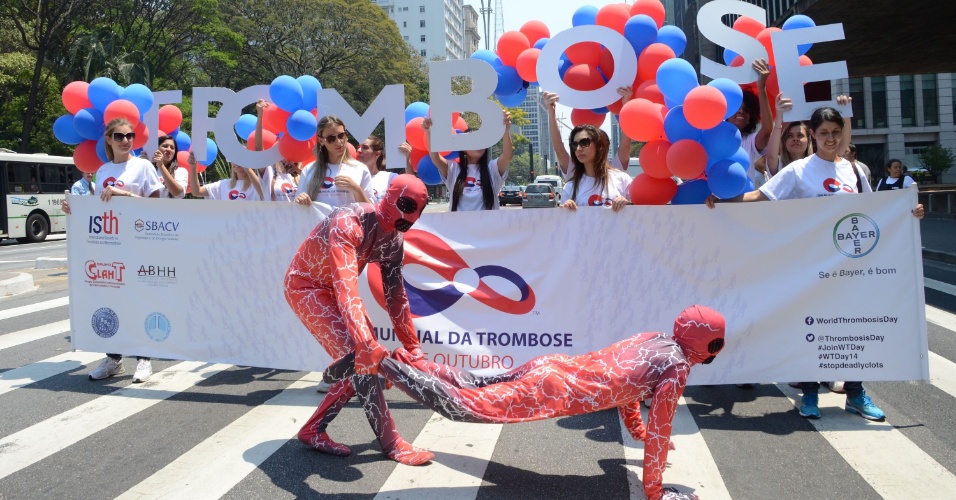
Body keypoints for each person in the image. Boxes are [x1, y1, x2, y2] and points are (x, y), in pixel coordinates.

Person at [326, 305, 725, 500]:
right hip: (555, 388)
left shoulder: (653, 339)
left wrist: (635, 431)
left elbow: (629, 390)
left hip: (553, 367)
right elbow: (661, 427)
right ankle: (380, 361)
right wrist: (655, 491)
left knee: (471, 382)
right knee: (463, 406)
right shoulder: (675, 368)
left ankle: (403, 362)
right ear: (707, 345)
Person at [705, 105, 926, 420]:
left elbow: (877, 211)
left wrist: (910, 212)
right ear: (814, 135)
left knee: (851, 330)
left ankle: (856, 393)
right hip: (809, 269)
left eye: (836, 132)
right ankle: (809, 394)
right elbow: (762, 198)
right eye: (824, 133)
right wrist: (724, 201)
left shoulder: (855, 172)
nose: (831, 139)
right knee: (812, 330)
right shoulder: (798, 171)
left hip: (850, 268)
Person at [284, 174, 434, 466]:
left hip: (334, 290)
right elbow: (345, 287)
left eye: (419, 208)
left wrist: (412, 346)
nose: (411, 216)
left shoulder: (393, 240)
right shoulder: (348, 222)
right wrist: (365, 343)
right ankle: (393, 444)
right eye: (406, 205)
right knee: (361, 361)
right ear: (389, 198)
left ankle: (313, 429)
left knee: (359, 362)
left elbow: (396, 298)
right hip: (307, 287)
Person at [62, 118, 163, 383]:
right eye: (119, 136)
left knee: (140, 299)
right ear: (109, 139)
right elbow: (98, 210)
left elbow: (157, 208)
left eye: (130, 135)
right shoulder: (102, 170)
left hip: (140, 244)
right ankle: (114, 358)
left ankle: (144, 358)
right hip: (111, 245)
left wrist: (124, 195)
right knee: (111, 300)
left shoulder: (142, 166)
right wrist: (74, 210)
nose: (126, 140)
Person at [421, 111, 513, 211]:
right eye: (472, 141)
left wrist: (506, 131)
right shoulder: (453, 169)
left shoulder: (492, 168)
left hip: (488, 226)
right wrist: (428, 131)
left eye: (481, 141)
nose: (478, 145)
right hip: (459, 225)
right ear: (463, 148)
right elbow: (435, 157)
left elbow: (507, 156)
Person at [544, 86, 633, 177]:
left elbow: (625, 144)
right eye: (574, 145)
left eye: (584, 142)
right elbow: (559, 149)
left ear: (599, 145)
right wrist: (551, 111)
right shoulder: (573, 174)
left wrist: (626, 105)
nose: (578, 149)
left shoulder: (616, 171)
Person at [294, 115, 373, 208]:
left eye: (341, 135)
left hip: (349, 222)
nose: (339, 142)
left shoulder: (360, 168)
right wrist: (300, 199)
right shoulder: (310, 169)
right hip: (318, 222)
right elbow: (298, 206)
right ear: (321, 141)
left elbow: (370, 209)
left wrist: (356, 189)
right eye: (331, 139)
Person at [728, 59, 774, 184]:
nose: (741, 111)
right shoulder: (712, 138)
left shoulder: (749, 141)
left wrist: (761, 86)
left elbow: (766, 131)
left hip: (745, 201)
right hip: (712, 202)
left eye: (747, 110)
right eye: (737, 108)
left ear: (750, 119)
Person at [255, 99, 301, 202]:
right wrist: (260, 115)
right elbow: (259, 150)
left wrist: (298, 171)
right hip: (274, 217)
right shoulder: (270, 173)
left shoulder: (304, 173)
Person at [187, 154, 263, 201]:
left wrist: (247, 168)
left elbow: (264, 192)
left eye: (240, 158)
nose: (236, 161)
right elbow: (196, 192)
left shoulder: (256, 185)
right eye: (234, 158)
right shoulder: (224, 184)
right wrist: (193, 168)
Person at [356, 135, 396, 203]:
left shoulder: (390, 178)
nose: (359, 150)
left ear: (377, 154)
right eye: (359, 147)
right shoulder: (349, 176)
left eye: (365, 147)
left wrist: (407, 160)